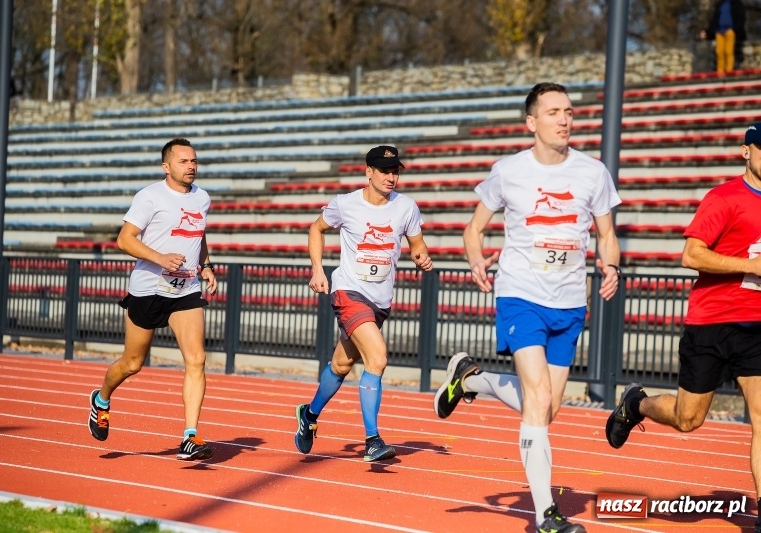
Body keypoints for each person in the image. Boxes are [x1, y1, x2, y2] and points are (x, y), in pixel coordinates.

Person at [433, 82, 622, 533]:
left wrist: (611, 264)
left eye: (569, 111)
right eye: (554, 112)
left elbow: (607, 234)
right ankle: (545, 516)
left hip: (571, 302)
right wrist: (477, 258)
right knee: (536, 400)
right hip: (521, 295)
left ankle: (471, 381)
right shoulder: (509, 171)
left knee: (548, 408)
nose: (564, 119)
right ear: (532, 123)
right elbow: (473, 229)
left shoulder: (593, 173)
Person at [606, 122, 761, 533]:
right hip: (711, 323)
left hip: (757, 327)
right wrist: (750, 265)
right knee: (688, 419)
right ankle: (635, 404)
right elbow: (691, 255)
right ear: (747, 151)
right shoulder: (723, 198)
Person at [294, 145, 433, 462]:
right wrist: (318, 268)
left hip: (380, 301)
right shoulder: (345, 204)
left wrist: (421, 255)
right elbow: (316, 229)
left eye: (395, 171)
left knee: (342, 364)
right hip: (349, 291)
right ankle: (372, 439)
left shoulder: (406, 208)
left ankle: (309, 414)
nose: (391, 177)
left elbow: (417, 243)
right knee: (378, 357)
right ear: (368, 172)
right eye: (384, 170)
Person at [87, 137, 218, 461]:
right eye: (184, 161)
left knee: (197, 360)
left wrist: (206, 265)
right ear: (166, 166)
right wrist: (160, 258)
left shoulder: (202, 198)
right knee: (133, 363)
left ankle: (190, 436)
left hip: (185, 289)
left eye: (194, 161)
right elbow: (124, 240)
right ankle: (101, 399)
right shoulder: (149, 196)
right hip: (149, 287)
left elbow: (198, 234)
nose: (191, 166)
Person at [700, 0, 746, 75]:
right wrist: (708, 32)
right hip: (719, 31)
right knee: (719, 52)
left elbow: (741, 17)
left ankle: (729, 71)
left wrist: (735, 29)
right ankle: (720, 72)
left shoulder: (736, 3)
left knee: (728, 51)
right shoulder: (720, 4)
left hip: (730, 31)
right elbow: (714, 20)